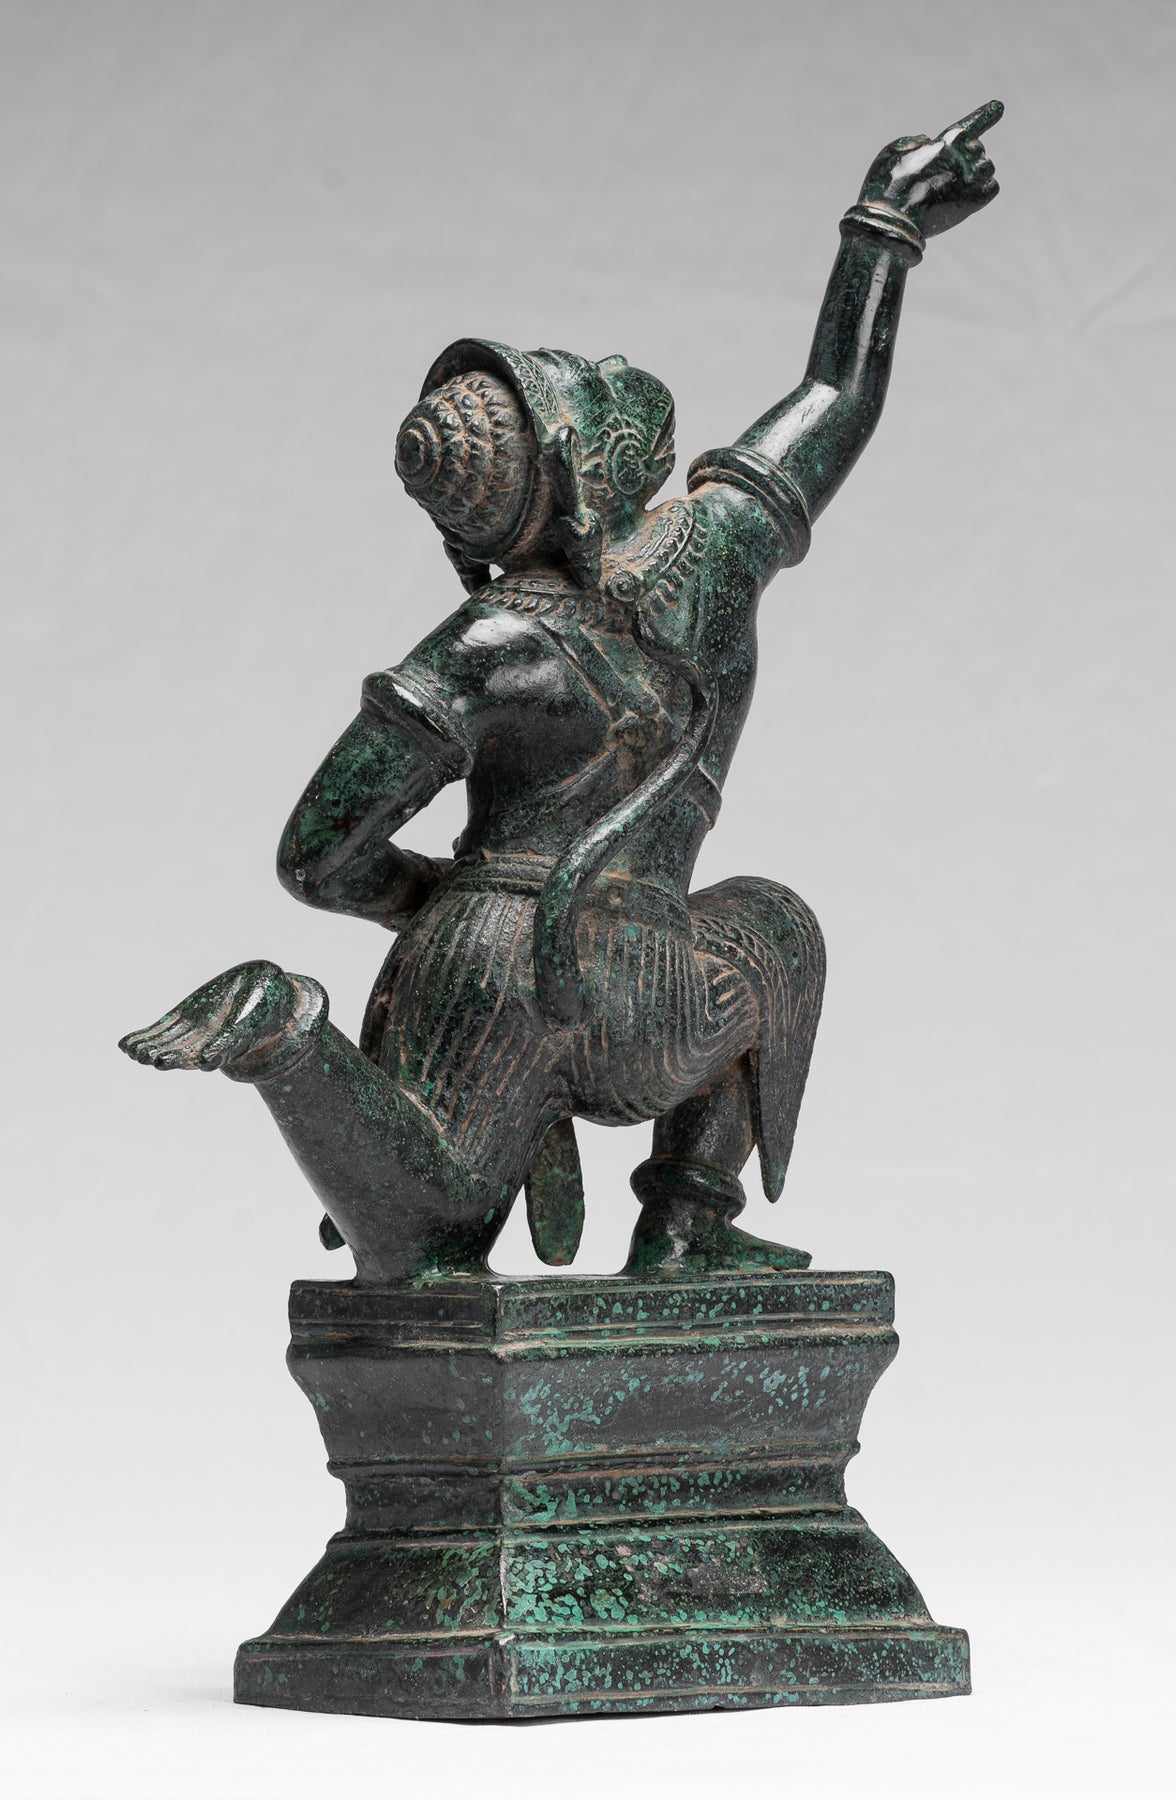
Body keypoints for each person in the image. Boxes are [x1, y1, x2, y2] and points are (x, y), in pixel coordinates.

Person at [120, 103, 1003, 1283]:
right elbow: (837, 394)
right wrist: (887, 222)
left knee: (429, 1240)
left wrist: (440, 899)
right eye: (588, 384)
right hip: (644, 982)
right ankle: (684, 1223)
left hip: (482, 958)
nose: (614, 374)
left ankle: (292, 1043)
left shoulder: (481, 642)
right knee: (773, 932)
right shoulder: (714, 551)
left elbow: (317, 858)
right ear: (591, 467)